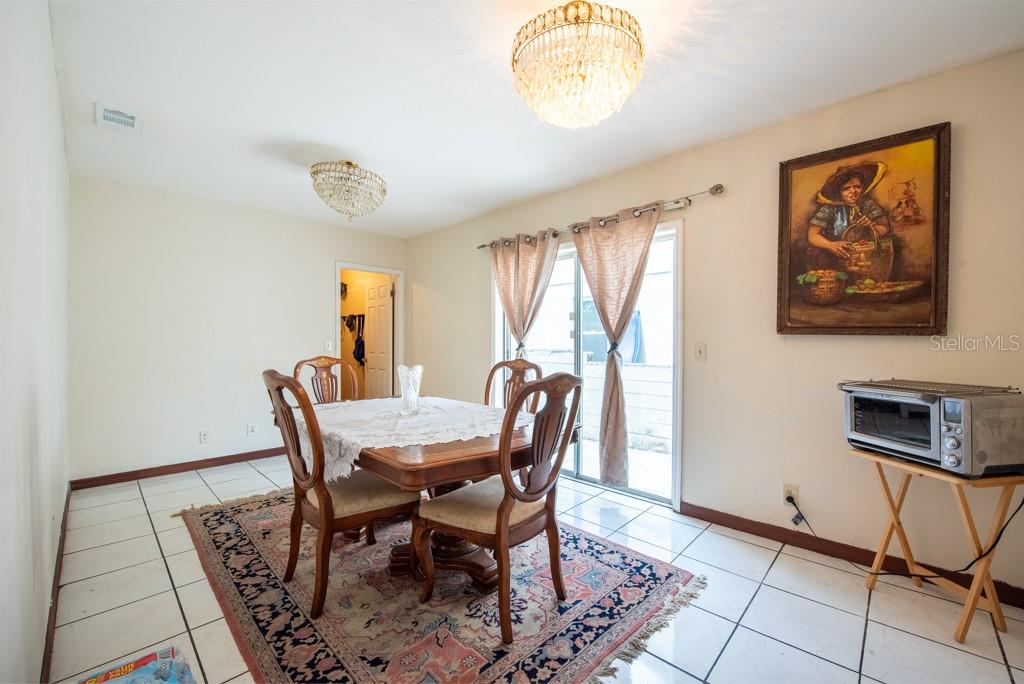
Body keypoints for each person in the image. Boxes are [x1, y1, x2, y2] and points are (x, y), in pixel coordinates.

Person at [806, 161, 891, 269]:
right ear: (838, 191)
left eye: (857, 186)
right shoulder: (829, 208)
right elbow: (812, 236)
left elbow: (884, 227)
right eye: (846, 188)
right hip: (834, 255)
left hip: (863, 254)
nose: (853, 191)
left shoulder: (868, 204)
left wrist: (870, 227)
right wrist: (831, 245)